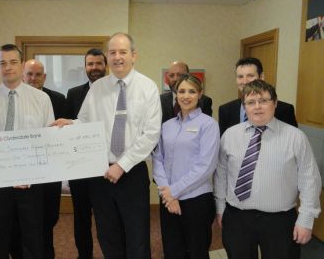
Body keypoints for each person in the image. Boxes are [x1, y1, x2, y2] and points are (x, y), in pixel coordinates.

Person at [53, 32, 161, 259]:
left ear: (134, 55)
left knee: (137, 235)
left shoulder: (148, 87)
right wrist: (69, 123)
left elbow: (151, 134)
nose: (117, 57)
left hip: (132, 172)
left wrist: (121, 165)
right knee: (107, 234)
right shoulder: (98, 88)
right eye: (112, 52)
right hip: (100, 173)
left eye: (123, 52)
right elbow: (85, 121)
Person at [214, 80, 321, 259]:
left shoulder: (295, 137)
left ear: (275, 103)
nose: (257, 107)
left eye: (263, 101)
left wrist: (306, 219)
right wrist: (220, 208)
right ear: (244, 106)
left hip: (279, 221)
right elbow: (221, 175)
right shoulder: (230, 135)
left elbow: (309, 179)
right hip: (237, 217)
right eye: (250, 102)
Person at [0, 44, 54, 259]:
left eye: (13, 62)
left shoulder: (41, 99)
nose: (8, 67)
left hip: (32, 180)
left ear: (21, 64)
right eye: (2, 63)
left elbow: (49, 139)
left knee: (33, 235)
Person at [153, 74, 219, 259]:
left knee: (197, 251)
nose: (186, 96)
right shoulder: (166, 126)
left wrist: (173, 191)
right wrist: (167, 194)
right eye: (181, 91)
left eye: (191, 91)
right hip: (168, 200)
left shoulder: (209, 125)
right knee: (172, 250)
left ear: (200, 94)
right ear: (175, 94)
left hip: (196, 200)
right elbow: (158, 159)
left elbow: (206, 166)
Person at [22, 59, 66, 259]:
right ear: (23, 75)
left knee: (49, 217)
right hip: (24, 170)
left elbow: (66, 132)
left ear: (44, 77)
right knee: (25, 220)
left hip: (51, 171)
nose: (33, 78)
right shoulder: (16, 98)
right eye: (29, 74)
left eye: (37, 74)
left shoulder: (58, 99)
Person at [66, 48, 107, 259]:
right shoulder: (73, 94)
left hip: (106, 169)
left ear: (105, 66)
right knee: (81, 218)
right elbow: (68, 128)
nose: (95, 68)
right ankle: (85, 256)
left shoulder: (114, 91)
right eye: (90, 64)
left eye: (99, 63)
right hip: (80, 169)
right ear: (85, 68)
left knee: (105, 218)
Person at [218, 57, 297, 135]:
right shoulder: (225, 110)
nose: (245, 81)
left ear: (261, 76)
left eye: (250, 76)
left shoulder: (285, 110)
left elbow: (292, 140)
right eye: (240, 77)